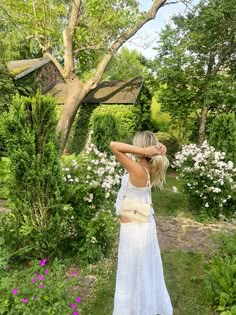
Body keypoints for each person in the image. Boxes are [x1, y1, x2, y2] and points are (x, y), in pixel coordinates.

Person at [110, 131, 173, 315]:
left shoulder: (137, 170)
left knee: (132, 273)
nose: (135, 148)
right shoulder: (144, 168)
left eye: (137, 145)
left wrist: (144, 150)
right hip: (140, 226)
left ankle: (134, 309)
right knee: (141, 270)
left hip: (134, 231)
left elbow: (114, 145)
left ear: (144, 149)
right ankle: (139, 306)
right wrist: (154, 150)